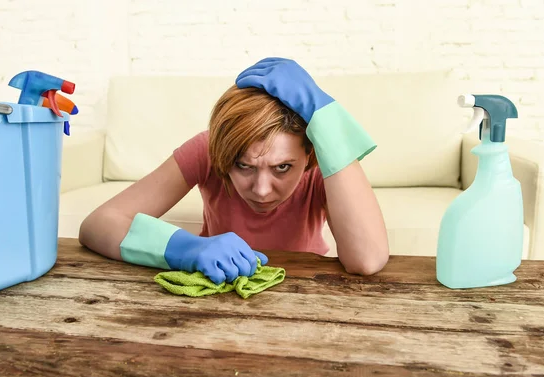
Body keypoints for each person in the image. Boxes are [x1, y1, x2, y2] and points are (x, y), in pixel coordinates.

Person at [78, 57, 389, 285]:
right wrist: (187, 248)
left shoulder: (323, 157)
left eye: (282, 167)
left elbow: (368, 260)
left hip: (304, 286)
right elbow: (98, 224)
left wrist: (325, 118)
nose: (262, 189)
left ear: (309, 156)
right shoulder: (207, 149)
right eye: (243, 166)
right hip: (217, 286)